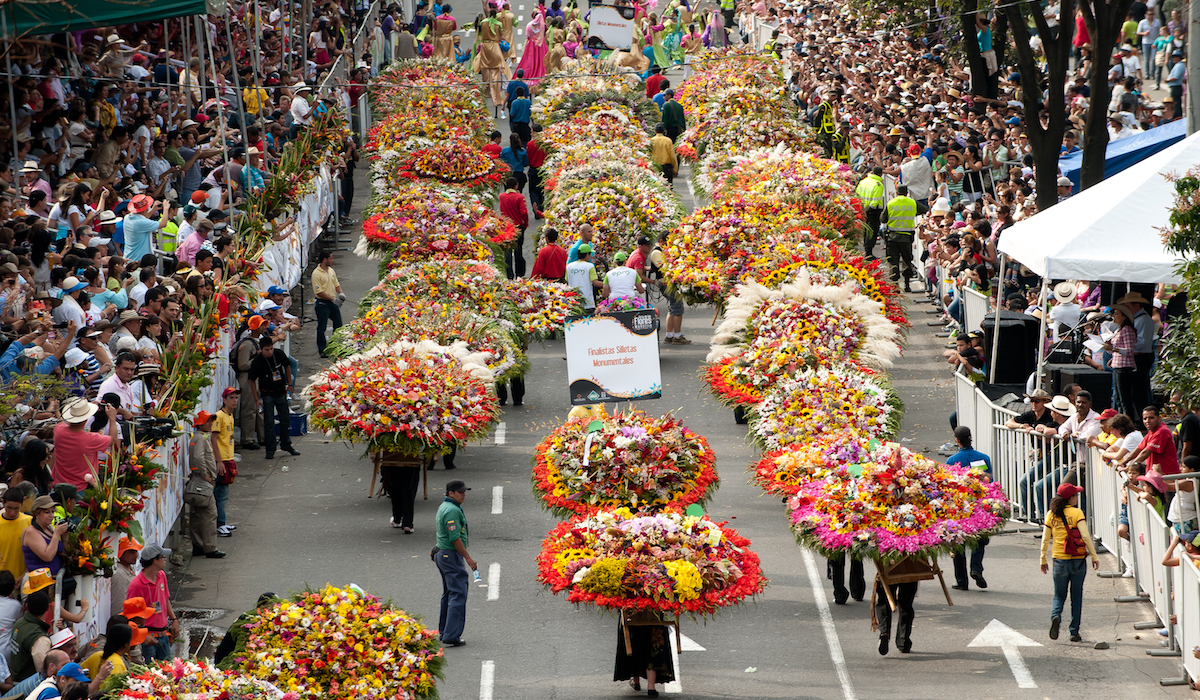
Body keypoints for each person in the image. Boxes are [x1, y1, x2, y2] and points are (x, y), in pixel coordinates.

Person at [1040, 482, 1099, 642]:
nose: (1077, 498)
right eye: (1076, 495)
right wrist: (1094, 555)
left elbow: (1045, 538)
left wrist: (1043, 558)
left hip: (1059, 560)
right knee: (1076, 596)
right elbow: (1085, 536)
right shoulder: (1077, 513)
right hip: (1078, 560)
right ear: (1071, 498)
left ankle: (1056, 615)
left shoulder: (1051, 514)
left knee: (1059, 595)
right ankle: (1074, 631)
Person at [945, 426, 992, 590]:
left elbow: (948, 486)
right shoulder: (983, 458)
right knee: (979, 538)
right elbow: (988, 480)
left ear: (957, 439)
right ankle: (976, 568)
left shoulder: (952, 461)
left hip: (960, 507)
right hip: (979, 505)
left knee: (959, 543)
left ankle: (961, 581)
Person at [434, 479, 475, 647]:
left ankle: (444, 631)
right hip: (450, 556)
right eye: (460, 492)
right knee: (458, 594)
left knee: (449, 594)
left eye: (464, 491)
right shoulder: (451, 511)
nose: (464, 494)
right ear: (451, 493)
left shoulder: (446, 506)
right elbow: (454, 537)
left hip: (442, 554)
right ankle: (451, 634)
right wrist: (468, 557)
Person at [124, 543, 178, 661]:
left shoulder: (161, 575)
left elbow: (166, 599)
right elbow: (129, 616)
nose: (165, 560)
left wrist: (174, 619)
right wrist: (142, 636)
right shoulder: (136, 585)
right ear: (154, 561)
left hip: (163, 635)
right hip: (148, 639)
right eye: (162, 557)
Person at [248, 337, 300, 460]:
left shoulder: (278, 354)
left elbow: (287, 366)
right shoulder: (257, 361)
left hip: (281, 391)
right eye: (267, 350)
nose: (270, 352)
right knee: (269, 423)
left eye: (271, 348)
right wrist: (256, 398)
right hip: (267, 394)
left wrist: (290, 385)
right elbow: (252, 380)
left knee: (285, 419)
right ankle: (270, 449)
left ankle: (286, 444)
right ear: (261, 350)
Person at [186, 411, 225, 559]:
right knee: (210, 514)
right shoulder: (201, 438)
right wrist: (205, 474)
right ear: (201, 424)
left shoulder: (197, 437)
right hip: (203, 481)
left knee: (196, 515)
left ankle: (198, 545)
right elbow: (198, 457)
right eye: (208, 421)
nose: (211, 424)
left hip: (197, 481)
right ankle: (210, 548)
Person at [614, 611, 675, 698]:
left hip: (632, 613)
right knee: (652, 648)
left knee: (634, 643)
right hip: (653, 613)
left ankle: (636, 680)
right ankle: (651, 687)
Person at [881, 185, 919, 292]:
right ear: (907, 193)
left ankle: (895, 286)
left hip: (892, 238)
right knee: (907, 260)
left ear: (896, 193)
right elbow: (924, 209)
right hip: (906, 238)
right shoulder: (912, 202)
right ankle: (907, 285)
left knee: (893, 261)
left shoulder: (891, 203)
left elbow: (883, 219)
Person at [213, 387, 240, 536]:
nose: (235, 400)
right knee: (220, 494)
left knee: (224, 493)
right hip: (222, 461)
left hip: (228, 459)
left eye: (236, 398)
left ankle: (222, 521)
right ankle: (219, 524)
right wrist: (219, 461)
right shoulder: (219, 416)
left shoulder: (229, 416)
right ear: (224, 400)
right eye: (231, 398)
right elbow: (214, 439)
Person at [1124, 405, 1180, 475]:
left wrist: (1129, 468)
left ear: (1159, 418)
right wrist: (1123, 463)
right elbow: (1139, 448)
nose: (1147, 421)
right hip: (1154, 475)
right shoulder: (1152, 431)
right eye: (1145, 418)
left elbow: (1145, 453)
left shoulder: (1162, 431)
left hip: (1166, 476)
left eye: (1151, 418)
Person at [10, 591, 52, 683]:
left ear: (27, 606)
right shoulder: (39, 638)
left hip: (15, 678)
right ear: (48, 608)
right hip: (26, 686)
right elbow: (44, 672)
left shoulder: (19, 623)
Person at [312, 250, 344, 359]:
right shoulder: (316, 273)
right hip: (323, 303)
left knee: (338, 324)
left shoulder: (331, 271)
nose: (333, 260)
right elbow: (318, 292)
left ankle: (336, 345)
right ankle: (322, 349)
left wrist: (341, 293)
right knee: (322, 327)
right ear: (325, 259)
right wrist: (332, 299)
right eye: (331, 258)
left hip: (332, 302)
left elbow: (336, 284)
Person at [498, 178, 528, 279]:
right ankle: (519, 273)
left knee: (508, 251)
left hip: (506, 227)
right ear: (516, 185)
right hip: (518, 226)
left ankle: (509, 274)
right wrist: (525, 223)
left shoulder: (502, 196)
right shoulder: (519, 197)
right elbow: (524, 212)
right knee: (518, 250)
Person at [0, 488, 31, 580]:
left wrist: (24, 575)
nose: (12, 513)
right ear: (3, 502)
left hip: (24, 579)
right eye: (9, 508)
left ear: (23, 502)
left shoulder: (29, 521)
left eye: (16, 508)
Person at [855, 167, 885, 259]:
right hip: (873, 211)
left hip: (862, 209)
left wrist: (862, 210)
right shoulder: (878, 185)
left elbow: (857, 195)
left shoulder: (863, 181)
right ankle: (869, 253)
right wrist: (867, 211)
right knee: (872, 231)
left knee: (866, 231)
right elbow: (875, 202)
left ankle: (866, 250)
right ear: (880, 174)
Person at [110, 536, 142, 616]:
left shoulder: (128, 568)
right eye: (132, 552)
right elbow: (119, 605)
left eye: (136, 551)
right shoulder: (119, 574)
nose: (136, 555)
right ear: (121, 553)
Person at [566, 244, 602, 313]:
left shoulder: (569, 267)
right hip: (588, 303)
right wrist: (606, 284)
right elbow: (595, 282)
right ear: (587, 254)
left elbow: (567, 282)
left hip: (573, 302)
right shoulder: (590, 266)